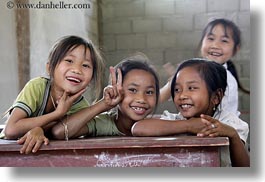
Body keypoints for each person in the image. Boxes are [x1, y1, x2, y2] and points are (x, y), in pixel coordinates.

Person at [132, 58, 250, 167]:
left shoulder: (227, 123)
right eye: (177, 90)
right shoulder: (176, 120)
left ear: (216, 97)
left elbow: (243, 167)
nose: (182, 95)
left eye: (192, 88)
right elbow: (138, 128)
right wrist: (188, 126)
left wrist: (233, 135)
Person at [1, 35, 105, 154]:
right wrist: (57, 114)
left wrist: (39, 129)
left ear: (91, 78)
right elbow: (11, 130)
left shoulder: (81, 107)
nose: (77, 70)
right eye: (69, 61)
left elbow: (59, 132)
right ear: (50, 67)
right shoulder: (37, 87)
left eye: (85, 65)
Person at [160, 18, 250, 116]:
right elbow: (156, 99)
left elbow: (218, 122)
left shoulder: (227, 80)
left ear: (236, 49)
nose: (215, 45)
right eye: (210, 38)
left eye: (224, 41)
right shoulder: (194, 72)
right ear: (202, 42)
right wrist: (172, 84)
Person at [51, 59, 160, 139]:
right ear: (116, 89)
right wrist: (103, 104)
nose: (141, 99)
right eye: (132, 90)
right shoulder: (104, 123)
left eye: (149, 92)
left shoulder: (160, 126)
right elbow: (59, 131)